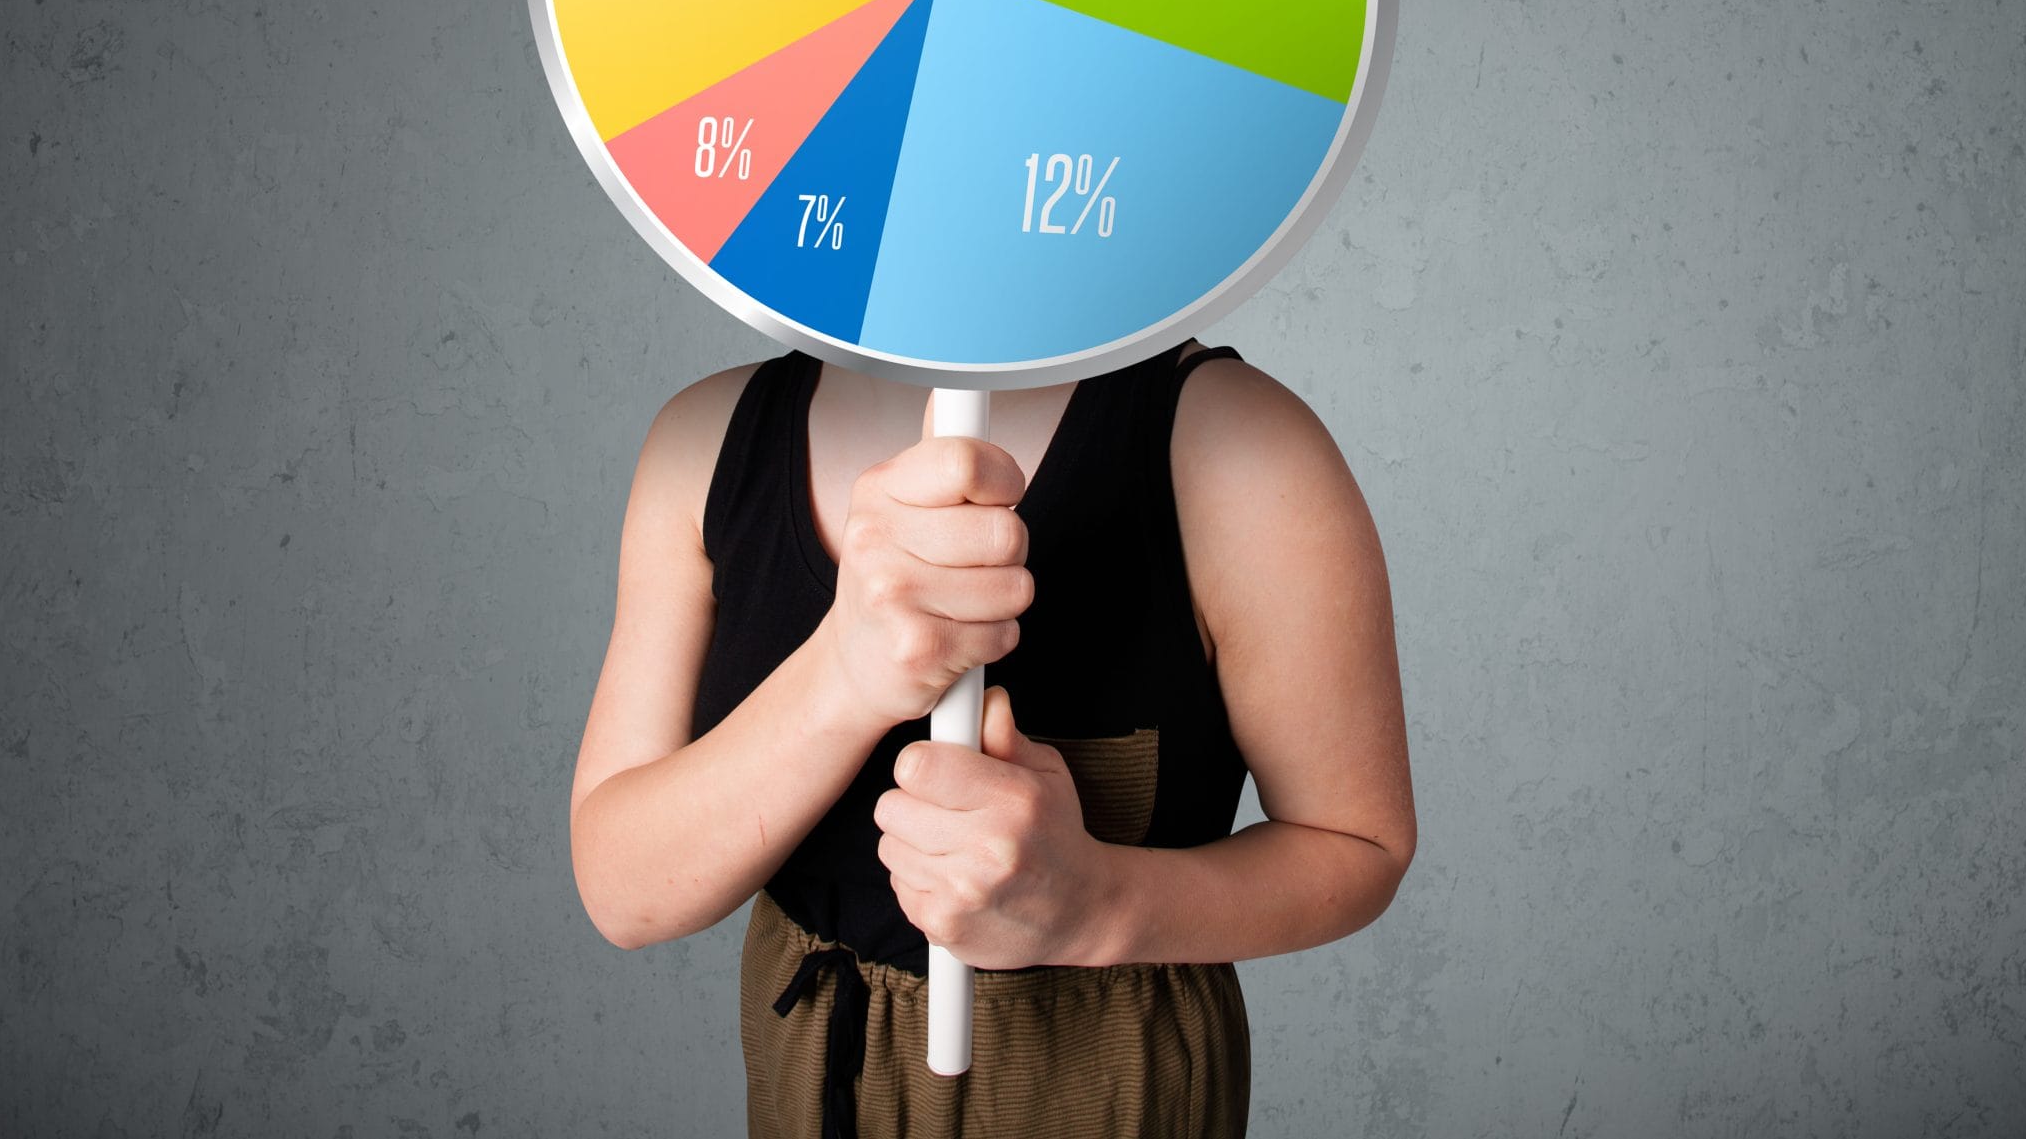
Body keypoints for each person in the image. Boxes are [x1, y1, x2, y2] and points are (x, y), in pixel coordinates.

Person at [569, 336, 1415, 1137]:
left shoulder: (1242, 448)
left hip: (1107, 1090)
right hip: (808, 1085)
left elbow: (1360, 843)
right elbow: (624, 889)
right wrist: (844, 671)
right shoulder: (703, 440)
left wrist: (1098, 904)